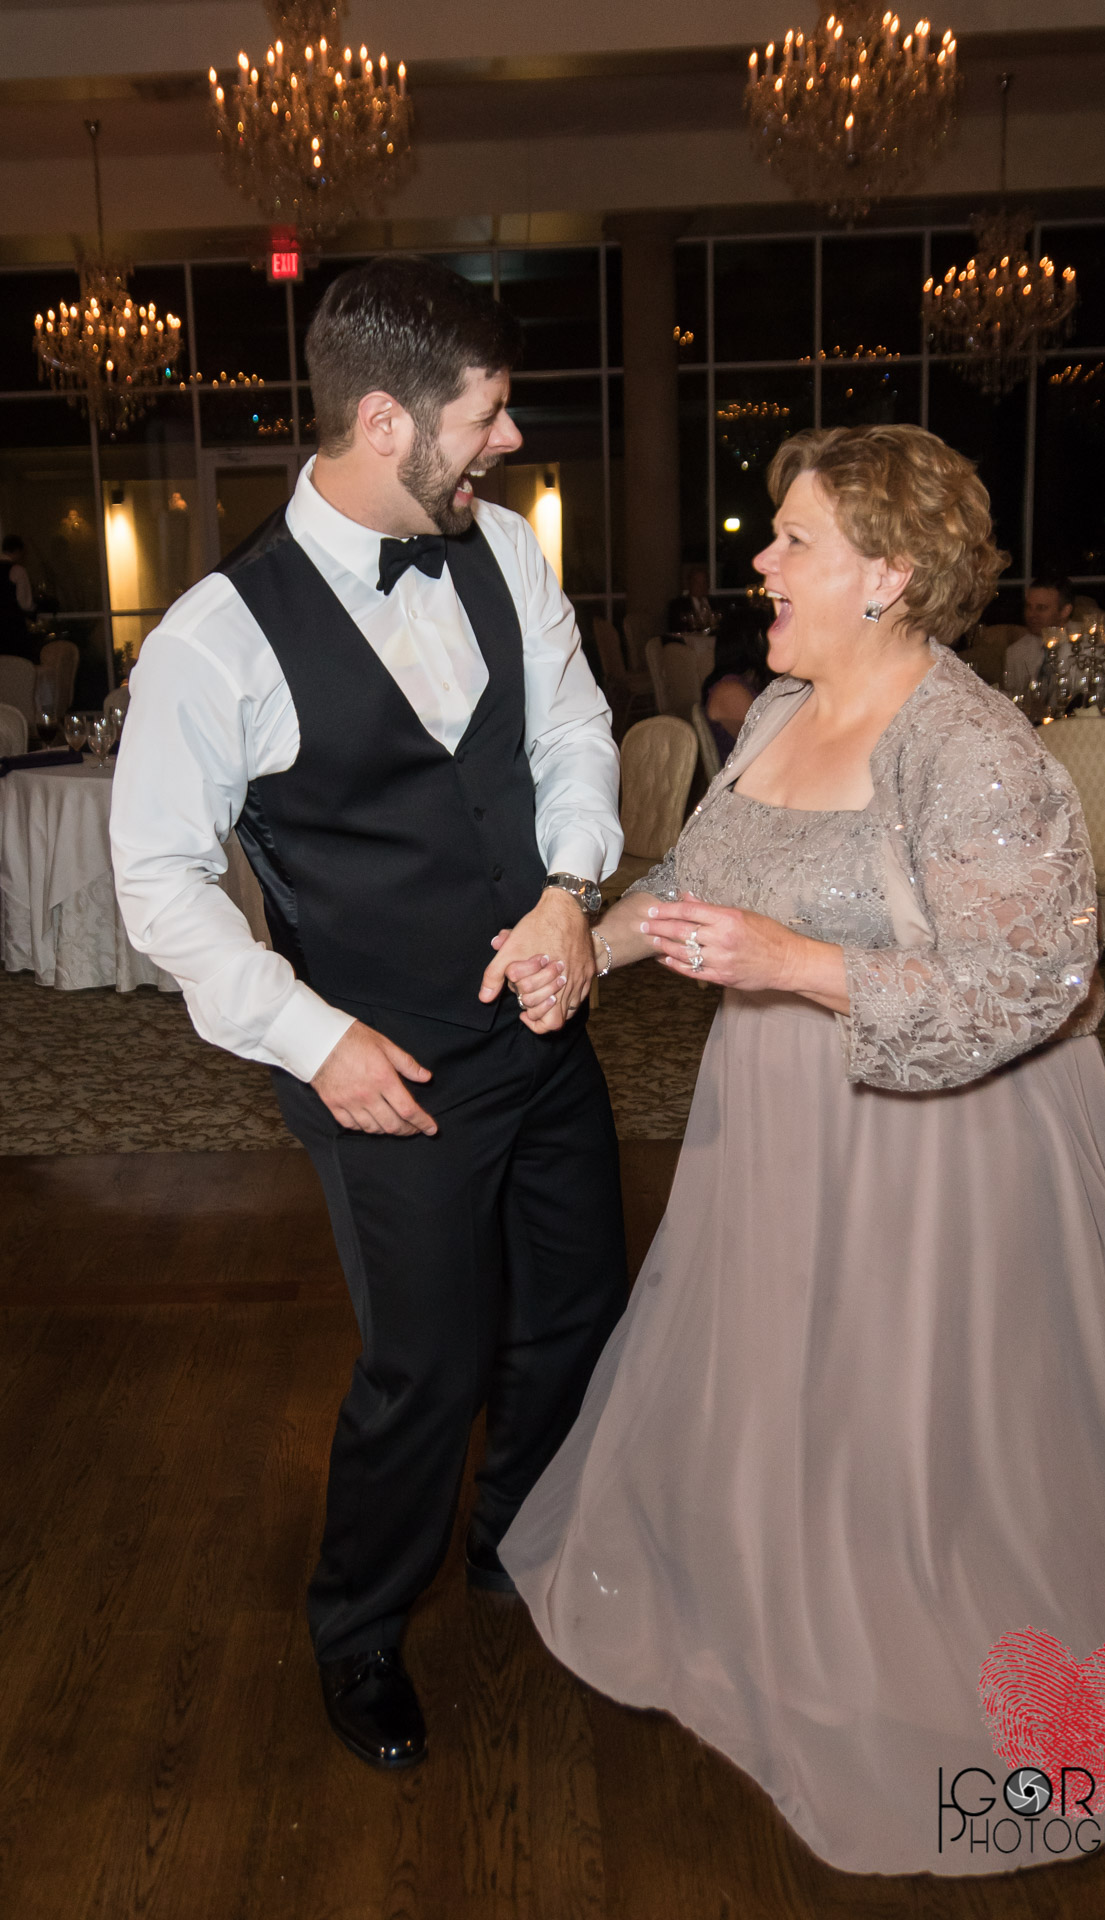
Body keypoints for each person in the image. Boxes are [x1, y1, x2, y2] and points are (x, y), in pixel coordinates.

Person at [499, 424, 1105, 1876]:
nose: (762, 561)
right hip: (777, 1125)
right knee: (776, 1365)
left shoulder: (970, 745)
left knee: (907, 1406)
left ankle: (906, 1623)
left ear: (890, 573)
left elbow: (1035, 984)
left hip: (932, 1150)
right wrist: (587, 948)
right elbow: (701, 878)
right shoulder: (785, 707)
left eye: (794, 539)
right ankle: (770, 1588)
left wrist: (796, 964)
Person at [110, 256, 630, 1774]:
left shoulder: (506, 554)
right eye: (491, 416)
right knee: (430, 1361)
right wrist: (308, 1035)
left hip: (543, 1033)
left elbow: (574, 729)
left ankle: (515, 1543)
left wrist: (571, 892)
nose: (513, 443)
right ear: (389, 420)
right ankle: (357, 1627)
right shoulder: (218, 636)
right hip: (383, 1065)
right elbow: (156, 879)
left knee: (579, 1309)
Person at [699, 601, 774, 765]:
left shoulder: (747, 680)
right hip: (745, 782)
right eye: (767, 632)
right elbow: (767, 747)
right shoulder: (729, 690)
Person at [1003, 572, 1074, 693]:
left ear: (1065, 611)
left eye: (1041, 608)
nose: (1032, 615)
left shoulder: (1087, 651)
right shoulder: (1015, 652)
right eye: (1029, 607)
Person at [0, 533, 39, 662]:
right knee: (20, 665)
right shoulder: (17, 571)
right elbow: (25, 603)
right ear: (17, 551)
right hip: (13, 628)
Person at [667, 562, 717, 634]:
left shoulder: (714, 603)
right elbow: (676, 629)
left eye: (704, 582)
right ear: (689, 583)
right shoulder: (678, 605)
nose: (701, 587)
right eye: (697, 582)